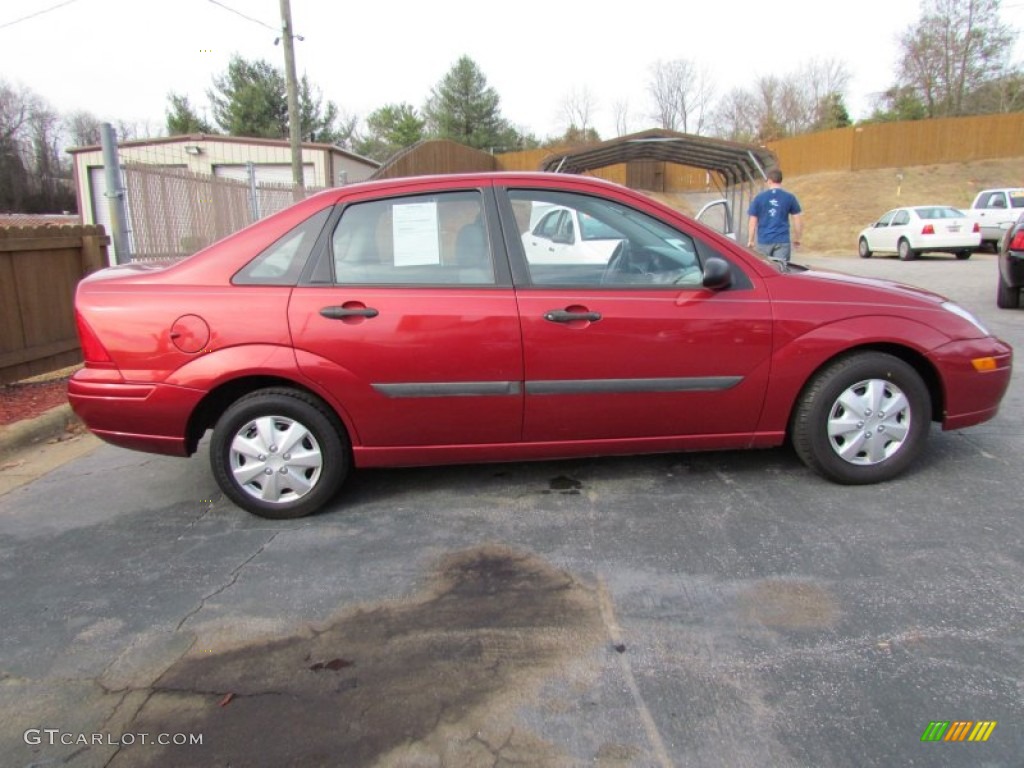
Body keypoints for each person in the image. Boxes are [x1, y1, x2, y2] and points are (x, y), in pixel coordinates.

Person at [747, 168, 803, 263]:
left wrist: (751, 240)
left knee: (765, 271)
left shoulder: (759, 198)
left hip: (764, 241)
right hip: (782, 240)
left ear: (769, 181)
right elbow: (797, 219)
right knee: (781, 270)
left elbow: (752, 221)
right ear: (780, 180)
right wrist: (797, 238)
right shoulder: (789, 197)